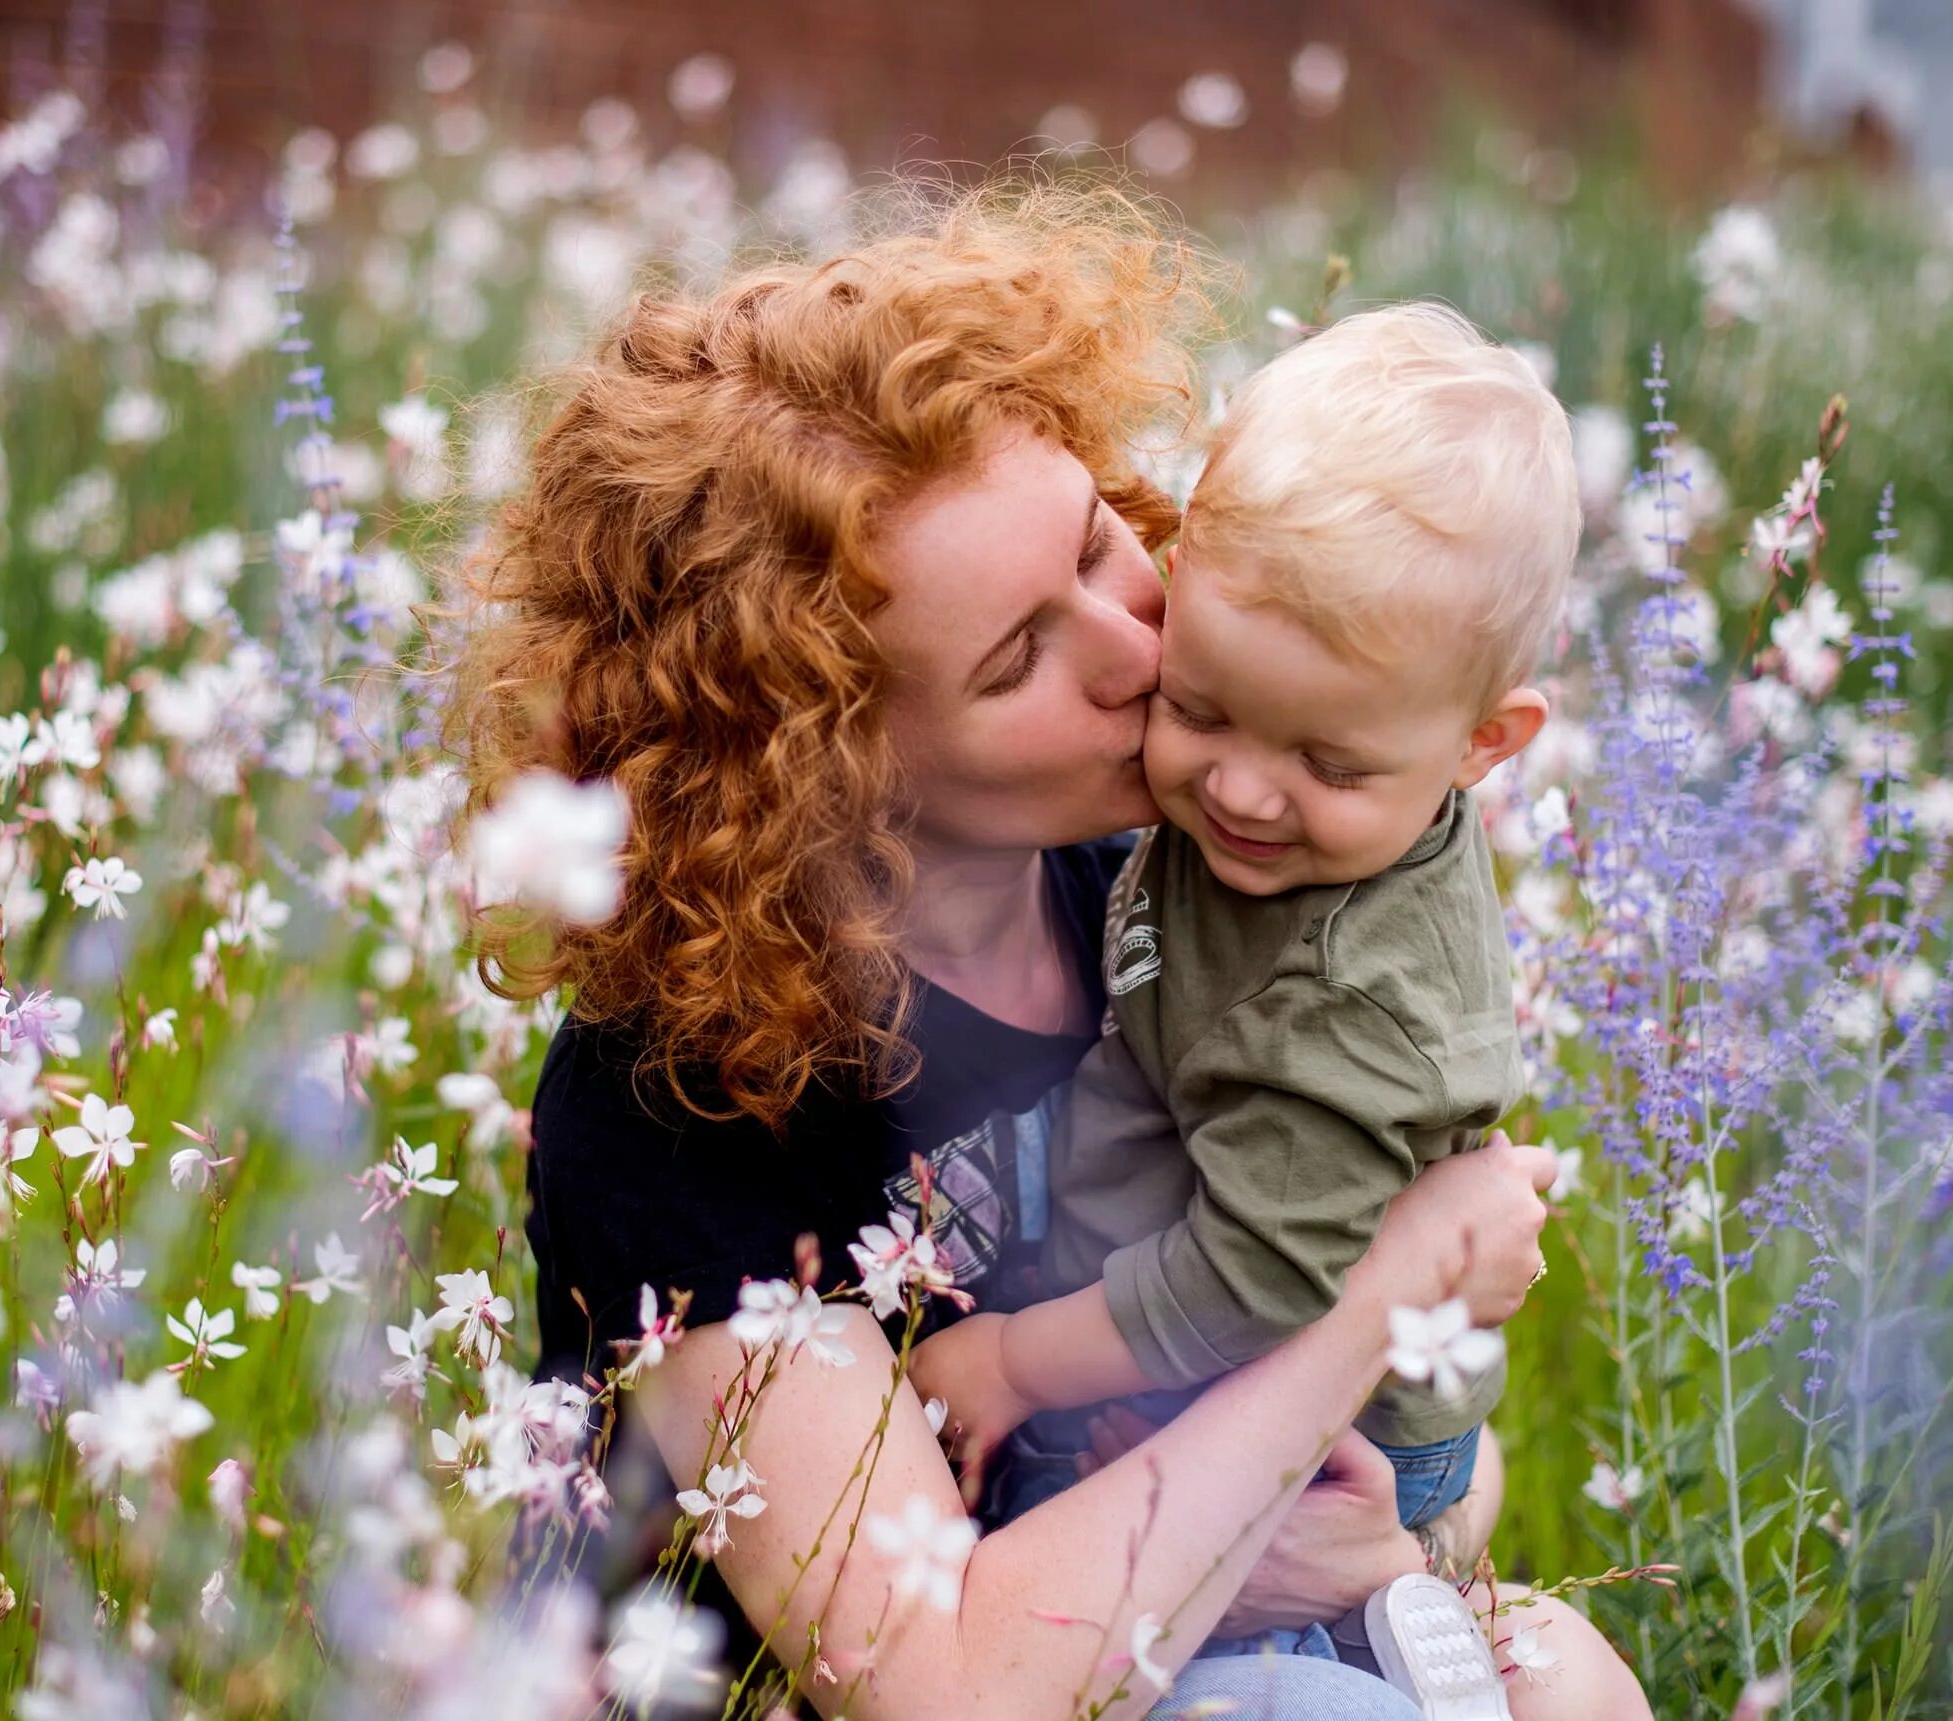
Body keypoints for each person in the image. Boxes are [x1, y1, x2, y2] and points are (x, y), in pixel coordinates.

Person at [450, 177, 1650, 1720]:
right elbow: (940, 1685)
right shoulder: (679, 1097)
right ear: (821, 765)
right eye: (1022, 654)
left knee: (1574, 1678)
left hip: (1147, 1618)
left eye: (1097, 541)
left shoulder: (1167, 878)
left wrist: (1383, 1527)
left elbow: (1441, 1474)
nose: (1141, 649)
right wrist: (1377, 1302)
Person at [902, 304, 1580, 1709]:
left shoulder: (1349, 994)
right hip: (1223, 1373)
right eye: (1201, 707)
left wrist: (1017, 1358)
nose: (1240, 792)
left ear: (1483, 742)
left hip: (1288, 1400)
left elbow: (1263, 1280)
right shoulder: (1236, 833)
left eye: (1326, 760)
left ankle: (1358, 1630)